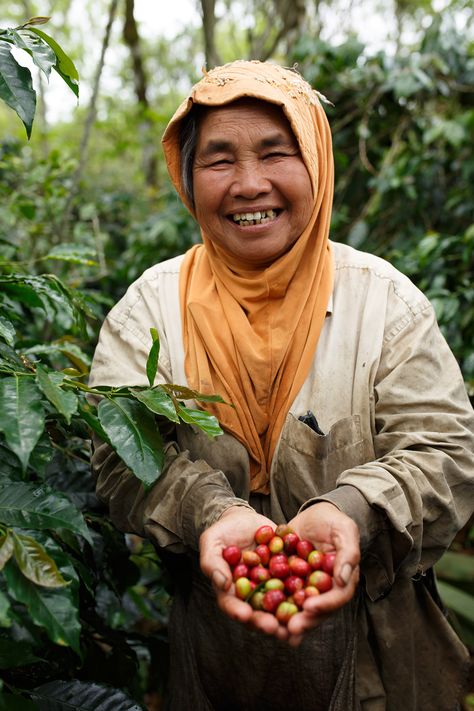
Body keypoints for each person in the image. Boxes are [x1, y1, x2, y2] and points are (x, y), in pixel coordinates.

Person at [89, 60, 474, 711]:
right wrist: (210, 512)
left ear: (318, 164)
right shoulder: (147, 312)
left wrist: (351, 510)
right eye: (218, 160)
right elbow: (118, 457)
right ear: (187, 177)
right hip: (215, 666)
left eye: (276, 152)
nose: (248, 183)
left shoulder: (385, 305)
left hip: (382, 662)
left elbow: (448, 453)